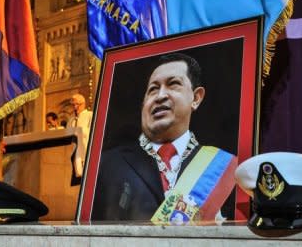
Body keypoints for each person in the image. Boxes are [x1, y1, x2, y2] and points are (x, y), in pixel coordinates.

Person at [92, 53, 237, 222]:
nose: (160, 96)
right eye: (153, 89)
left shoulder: (224, 167)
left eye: (173, 84)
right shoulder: (107, 164)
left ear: (196, 98)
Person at [67, 93, 93, 177]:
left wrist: (80, 131)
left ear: (83, 104)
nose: (75, 107)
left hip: (86, 150)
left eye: (77, 104)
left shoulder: (90, 115)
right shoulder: (71, 120)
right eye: (73, 105)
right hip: (73, 151)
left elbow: (93, 132)